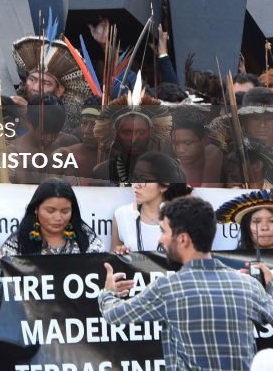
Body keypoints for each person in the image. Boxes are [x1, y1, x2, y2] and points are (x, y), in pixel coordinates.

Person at [99, 196, 273, 370]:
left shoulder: (167, 289)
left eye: (164, 231)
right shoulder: (248, 285)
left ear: (182, 239)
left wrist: (108, 292)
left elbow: (114, 315)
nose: (160, 240)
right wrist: (270, 287)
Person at [0, 178, 104, 256]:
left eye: (65, 211)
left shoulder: (87, 240)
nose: (58, 218)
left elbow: (102, 274)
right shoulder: (18, 243)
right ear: (36, 208)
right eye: (50, 211)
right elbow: (4, 279)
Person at [112, 153, 192, 254]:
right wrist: (119, 254)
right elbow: (112, 261)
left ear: (164, 186)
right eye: (135, 178)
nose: (136, 185)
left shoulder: (182, 217)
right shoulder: (121, 215)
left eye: (144, 179)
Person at [93, 97, 172, 185]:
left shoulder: (165, 171)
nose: (134, 139)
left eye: (141, 132)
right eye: (126, 132)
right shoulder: (101, 172)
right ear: (115, 134)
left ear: (151, 132)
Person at [217, 190, 273, 254]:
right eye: (256, 221)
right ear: (246, 226)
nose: (265, 227)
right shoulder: (228, 261)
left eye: (272, 221)